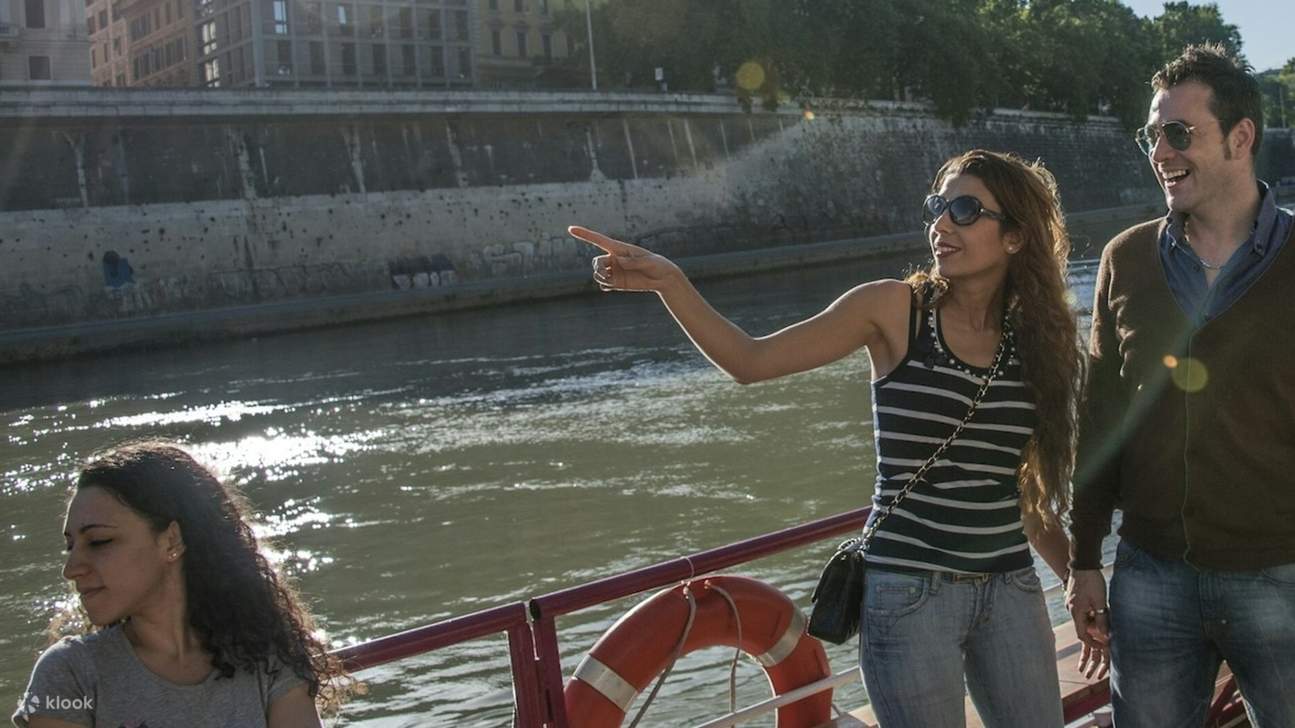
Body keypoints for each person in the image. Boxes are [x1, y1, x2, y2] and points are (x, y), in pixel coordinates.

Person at [571, 148, 1084, 727]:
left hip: (1011, 589)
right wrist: (672, 284)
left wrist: (1076, 577)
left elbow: (1023, 491)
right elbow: (751, 360)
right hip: (910, 597)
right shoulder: (892, 310)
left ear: (1015, 236)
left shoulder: (1038, 342)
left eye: (965, 210)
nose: (941, 224)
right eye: (937, 207)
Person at [1067, 43, 1295, 728]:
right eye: (1150, 135)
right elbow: (1099, 414)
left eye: (1176, 134)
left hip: (1280, 575)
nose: (1158, 152)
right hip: (1150, 578)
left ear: (1240, 137)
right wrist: (1083, 560)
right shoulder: (1124, 258)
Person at [13, 441, 352, 728]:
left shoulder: (268, 661)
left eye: (99, 541)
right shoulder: (69, 675)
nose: (71, 569)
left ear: (171, 540)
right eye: (70, 545)